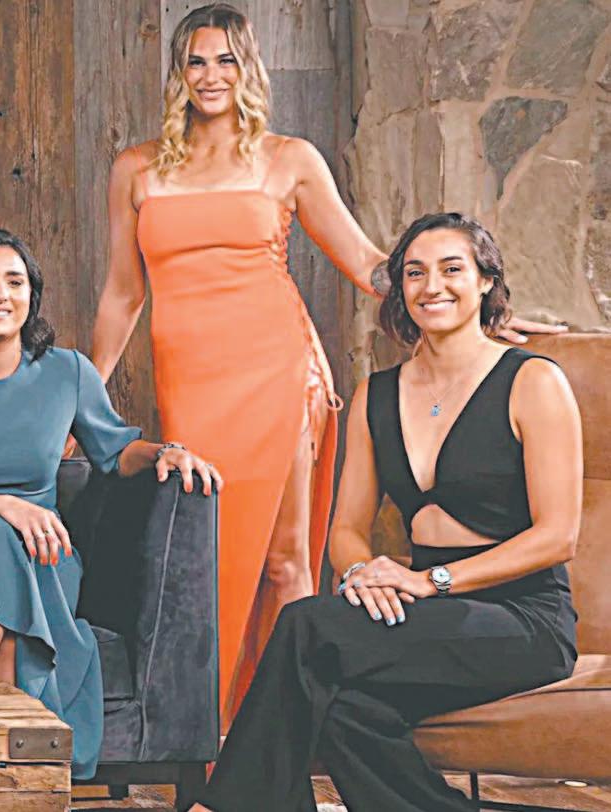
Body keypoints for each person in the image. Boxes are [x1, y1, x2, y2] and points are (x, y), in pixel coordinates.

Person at [88, 2, 561, 724]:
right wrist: (80, 402)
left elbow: (370, 264)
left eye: (226, 60)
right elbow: (124, 295)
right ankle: (209, 733)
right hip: (190, 380)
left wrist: (478, 313)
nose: (211, 75)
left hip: (277, 369)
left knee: (283, 560)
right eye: (196, 61)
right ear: (178, 72)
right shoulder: (136, 168)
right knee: (205, 561)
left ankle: (290, 734)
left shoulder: (289, 158)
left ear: (248, 68)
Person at [195, 213, 580, 811]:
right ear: (400, 288)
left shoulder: (532, 381)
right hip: (426, 614)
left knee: (306, 624)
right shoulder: (377, 394)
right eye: (414, 273)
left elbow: (558, 537)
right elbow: (348, 528)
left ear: (486, 282)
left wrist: (430, 581)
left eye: (452, 269)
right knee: (343, 710)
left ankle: (223, 808)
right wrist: (360, 573)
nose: (432, 286)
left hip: (524, 619)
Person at [0, 229, 220, 780]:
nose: (0, 294)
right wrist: (5, 507)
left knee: (0, 540)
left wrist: (167, 452)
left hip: (45, 559)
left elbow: (116, 450)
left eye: (14, 282)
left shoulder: (68, 372)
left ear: (31, 297)